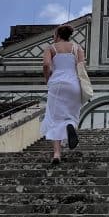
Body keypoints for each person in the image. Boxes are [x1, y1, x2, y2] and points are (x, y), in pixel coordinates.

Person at [40, 24, 83, 164]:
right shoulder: (77, 48)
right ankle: (70, 125)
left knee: (54, 118)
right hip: (74, 84)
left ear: (57, 35)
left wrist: (48, 79)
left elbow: (46, 65)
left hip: (57, 84)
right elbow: (81, 68)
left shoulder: (50, 48)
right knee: (70, 114)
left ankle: (57, 154)